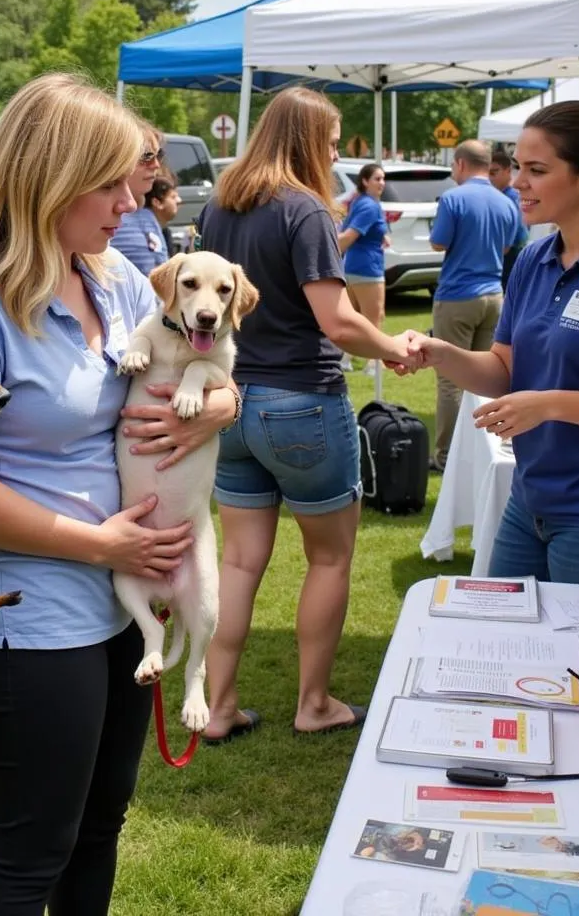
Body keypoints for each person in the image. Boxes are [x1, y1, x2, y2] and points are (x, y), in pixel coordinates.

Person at [0, 73, 238, 914]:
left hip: (116, 604)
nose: (136, 198)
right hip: (30, 610)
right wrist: (103, 545)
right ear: (53, 177)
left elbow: (204, 357)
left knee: (98, 830)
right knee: (34, 853)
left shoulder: (116, 277)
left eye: (139, 178)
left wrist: (222, 402)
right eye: (116, 180)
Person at [197, 87, 416, 742]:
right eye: (330, 139)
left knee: (237, 563)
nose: (334, 152)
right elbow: (337, 319)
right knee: (329, 559)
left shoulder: (219, 208)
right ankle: (314, 702)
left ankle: (216, 708)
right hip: (301, 403)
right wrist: (394, 347)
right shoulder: (306, 210)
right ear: (308, 141)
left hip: (230, 404)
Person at [399, 102, 579, 586]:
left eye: (536, 170)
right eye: (517, 166)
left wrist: (550, 406)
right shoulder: (535, 259)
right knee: (508, 645)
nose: (517, 181)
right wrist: (441, 353)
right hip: (532, 502)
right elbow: (505, 369)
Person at [429, 140, 526, 472]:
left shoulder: (454, 198)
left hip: (457, 295)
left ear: (459, 164)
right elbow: (512, 242)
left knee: (449, 380)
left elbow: (439, 241)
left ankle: (445, 457)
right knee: (490, 380)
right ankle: (487, 451)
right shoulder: (506, 201)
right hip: (493, 294)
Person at [110, 124, 169, 274]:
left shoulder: (148, 214)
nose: (156, 165)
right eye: (146, 156)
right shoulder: (106, 220)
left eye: (159, 155)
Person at [338, 162, 390, 330]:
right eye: (378, 179)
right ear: (365, 181)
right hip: (367, 269)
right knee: (374, 321)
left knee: (352, 321)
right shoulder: (369, 206)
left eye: (383, 179)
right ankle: (374, 357)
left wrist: (382, 235)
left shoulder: (360, 201)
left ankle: (344, 357)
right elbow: (348, 237)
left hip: (352, 268)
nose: (382, 183)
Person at [490, 148, 527, 289]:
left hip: (511, 254)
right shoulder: (498, 197)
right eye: (487, 173)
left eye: (494, 172)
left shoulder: (511, 198)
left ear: (508, 170)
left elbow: (518, 235)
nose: (490, 178)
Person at [147, 176, 184, 254]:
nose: (179, 200)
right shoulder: (148, 235)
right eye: (173, 197)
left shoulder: (165, 232)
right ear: (157, 203)